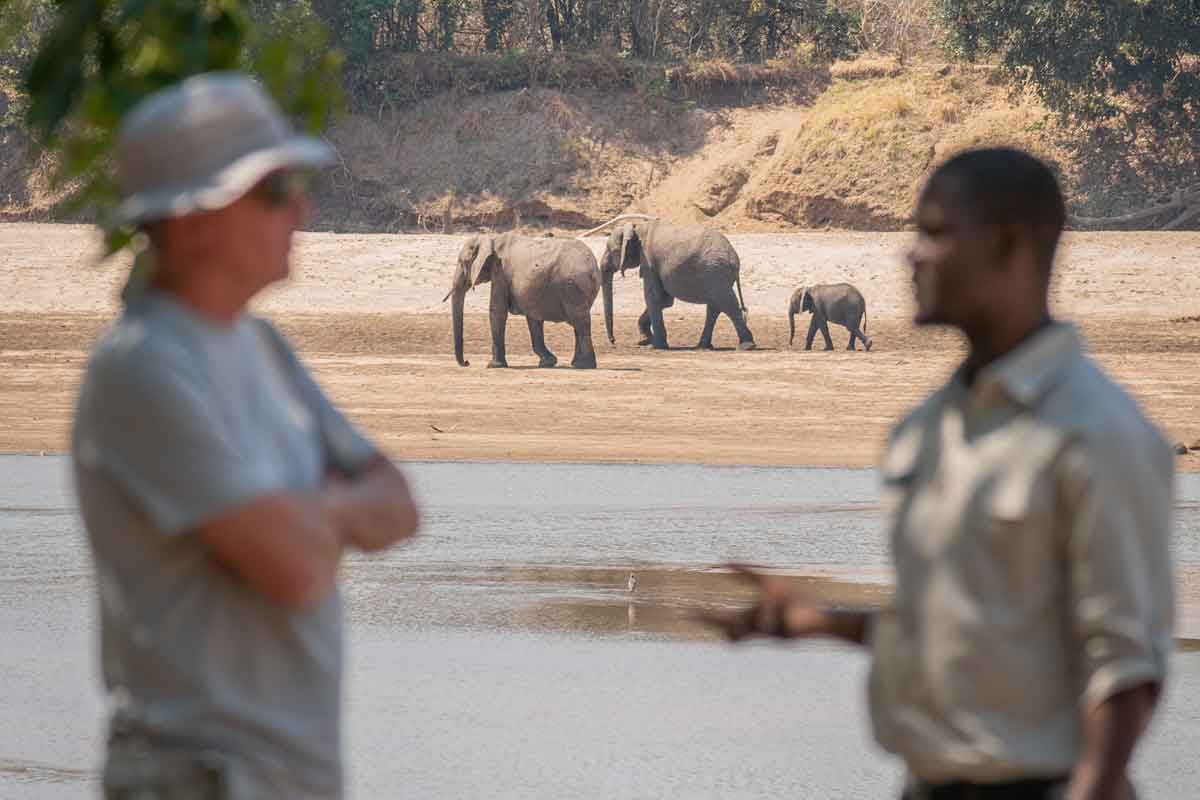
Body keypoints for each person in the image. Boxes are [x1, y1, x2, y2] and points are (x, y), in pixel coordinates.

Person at [704, 148, 1174, 800]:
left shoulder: (1096, 432)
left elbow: (1127, 671)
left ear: (1010, 245)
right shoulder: (929, 427)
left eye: (936, 232)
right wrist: (811, 620)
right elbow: (956, 628)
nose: (911, 254)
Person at [72, 72, 420, 799]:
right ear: (194, 220)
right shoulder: (141, 370)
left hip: (286, 774)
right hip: (200, 775)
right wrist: (328, 515)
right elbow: (296, 570)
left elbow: (399, 504)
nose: (303, 209)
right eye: (274, 191)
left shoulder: (263, 349)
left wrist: (305, 515)